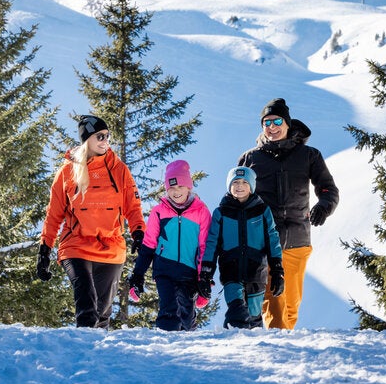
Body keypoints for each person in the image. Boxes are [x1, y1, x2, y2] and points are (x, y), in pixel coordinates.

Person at [237, 98, 339, 330]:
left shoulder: (309, 155)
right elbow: (237, 195)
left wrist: (324, 206)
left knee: (291, 305)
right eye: (266, 123)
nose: (271, 127)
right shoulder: (251, 158)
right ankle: (276, 348)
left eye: (276, 121)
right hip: (264, 239)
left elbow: (328, 188)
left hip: (297, 238)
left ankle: (285, 344)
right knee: (274, 300)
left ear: (287, 123)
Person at [37, 115, 145, 328]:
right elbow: (54, 214)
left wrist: (138, 232)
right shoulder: (67, 171)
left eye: (108, 136)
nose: (106, 141)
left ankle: (97, 356)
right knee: (87, 305)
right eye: (100, 136)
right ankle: (83, 346)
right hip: (76, 245)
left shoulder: (119, 170)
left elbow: (133, 206)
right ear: (87, 140)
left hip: (111, 247)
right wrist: (44, 250)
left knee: (102, 313)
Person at [127, 159, 212, 331]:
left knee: (187, 316)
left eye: (180, 186)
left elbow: (205, 248)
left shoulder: (201, 212)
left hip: (188, 272)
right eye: (171, 188)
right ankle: (165, 345)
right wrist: (138, 275)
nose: (176, 192)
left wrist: (204, 279)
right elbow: (149, 245)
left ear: (189, 186)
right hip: (164, 269)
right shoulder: (159, 212)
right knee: (169, 309)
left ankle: (187, 344)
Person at [199, 166, 283, 329]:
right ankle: (230, 341)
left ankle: (252, 350)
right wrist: (206, 274)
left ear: (251, 186)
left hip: (257, 272)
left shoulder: (263, 211)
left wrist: (278, 271)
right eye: (235, 182)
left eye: (244, 182)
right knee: (236, 311)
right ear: (229, 186)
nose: (239, 186)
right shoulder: (221, 213)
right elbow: (212, 244)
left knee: (253, 316)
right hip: (231, 271)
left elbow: (273, 241)